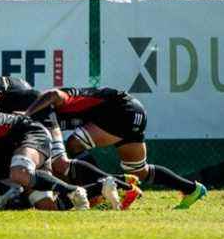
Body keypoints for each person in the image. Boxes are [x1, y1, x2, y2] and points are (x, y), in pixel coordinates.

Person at [25, 87, 207, 209]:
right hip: (133, 111)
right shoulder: (45, 119)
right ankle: (192, 189)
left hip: (122, 111)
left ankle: (102, 192)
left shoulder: (46, 104)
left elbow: (53, 94)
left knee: (74, 144)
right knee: (139, 170)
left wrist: (26, 114)